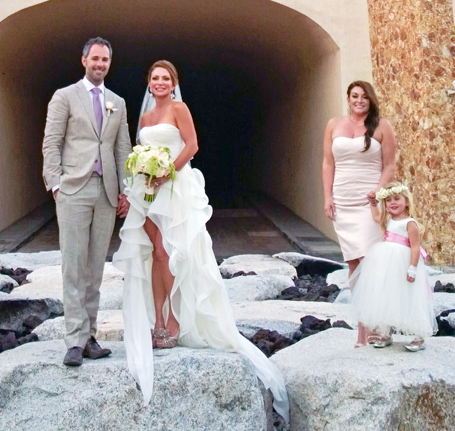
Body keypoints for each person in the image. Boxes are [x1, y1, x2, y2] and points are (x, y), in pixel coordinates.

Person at [112, 60, 289, 422]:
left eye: (166, 78)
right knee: (152, 256)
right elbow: (136, 154)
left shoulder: (179, 109)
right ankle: (157, 321)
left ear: (174, 83)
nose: (160, 83)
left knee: (169, 252)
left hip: (174, 187)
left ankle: (175, 324)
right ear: (149, 83)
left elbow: (192, 146)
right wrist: (138, 182)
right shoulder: (145, 120)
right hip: (147, 192)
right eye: (154, 78)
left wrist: (165, 174)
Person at [42, 37, 132, 366]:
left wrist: (126, 191)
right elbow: (51, 142)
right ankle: (73, 341)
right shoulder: (65, 96)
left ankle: (90, 335)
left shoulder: (117, 102)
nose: (99, 64)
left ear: (110, 63)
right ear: (84, 60)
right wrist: (55, 184)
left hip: (106, 191)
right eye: (95, 59)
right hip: (74, 189)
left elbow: (122, 148)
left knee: (96, 267)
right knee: (74, 265)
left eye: (105, 60)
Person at [322, 80, 396, 346]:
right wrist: (328, 196)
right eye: (354, 96)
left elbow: (389, 165)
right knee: (353, 264)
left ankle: (381, 323)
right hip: (343, 201)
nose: (359, 101)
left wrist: (379, 191)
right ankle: (363, 329)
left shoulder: (381, 126)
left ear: (370, 100)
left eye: (364, 97)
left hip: (369, 203)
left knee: (371, 261)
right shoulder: (334, 124)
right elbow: (328, 162)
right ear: (348, 98)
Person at [351, 181, 436, 351]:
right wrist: (373, 203)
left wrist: (412, 267)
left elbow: (415, 247)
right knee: (388, 295)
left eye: (397, 198)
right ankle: (386, 333)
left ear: (406, 201)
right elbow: (376, 217)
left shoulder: (410, 223)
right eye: (388, 200)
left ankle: (418, 336)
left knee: (408, 296)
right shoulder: (387, 219)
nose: (393, 203)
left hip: (403, 263)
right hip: (387, 263)